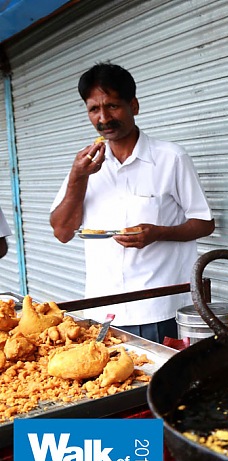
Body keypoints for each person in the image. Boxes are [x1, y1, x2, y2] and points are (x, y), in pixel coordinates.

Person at [50, 63, 214, 343]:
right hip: (103, 312)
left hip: (160, 308)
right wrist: (78, 177)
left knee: (164, 384)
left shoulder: (170, 158)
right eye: (93, 109)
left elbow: (204, 223)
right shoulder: (85, 165)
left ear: (133, 106)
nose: (104, 118)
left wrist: (159, 233)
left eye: (112, 106)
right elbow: (62, 232)